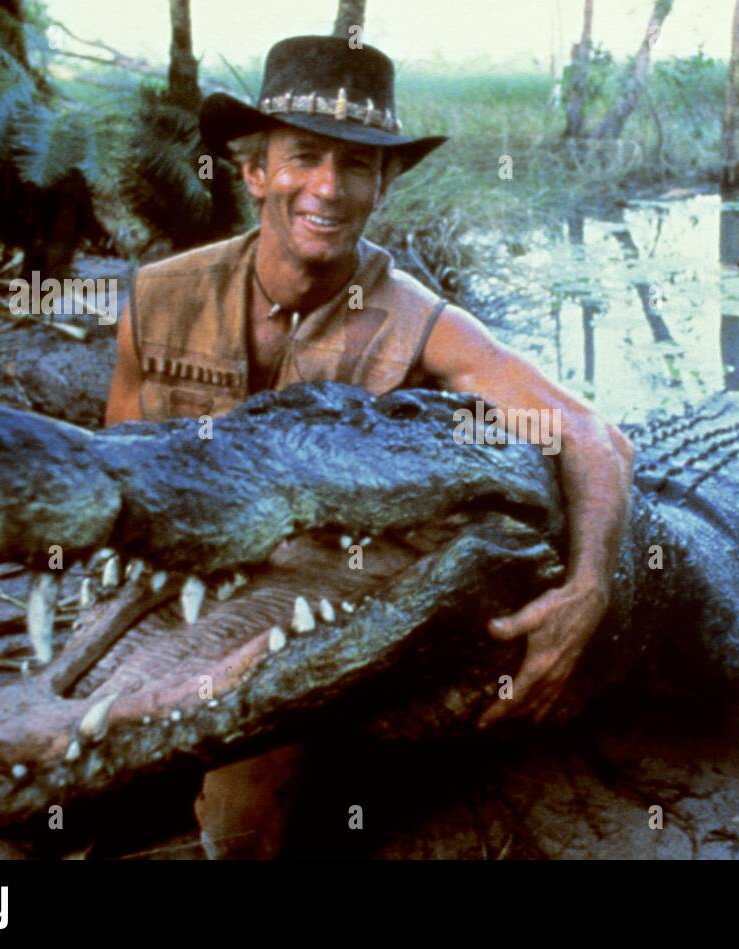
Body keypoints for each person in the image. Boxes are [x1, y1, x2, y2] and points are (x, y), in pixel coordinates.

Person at [103, 35, 634, 858]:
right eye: (303, 157)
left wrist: (589, 591)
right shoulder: (158, 298)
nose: (327, 187)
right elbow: (116, 475)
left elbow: (591, 432)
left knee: (242, 829)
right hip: (177, 592)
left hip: (310, 618)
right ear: (253, 173)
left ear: (381, 186)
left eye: (356, 166)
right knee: (46, 788)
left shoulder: (422, 320)